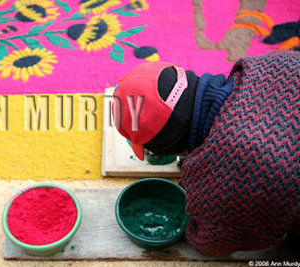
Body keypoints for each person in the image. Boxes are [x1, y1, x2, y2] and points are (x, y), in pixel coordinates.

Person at [112, 50, 300, 256]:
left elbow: (212, 242)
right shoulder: (273, 61)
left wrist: (197, 203)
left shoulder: (228, 174)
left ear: (174, 148)